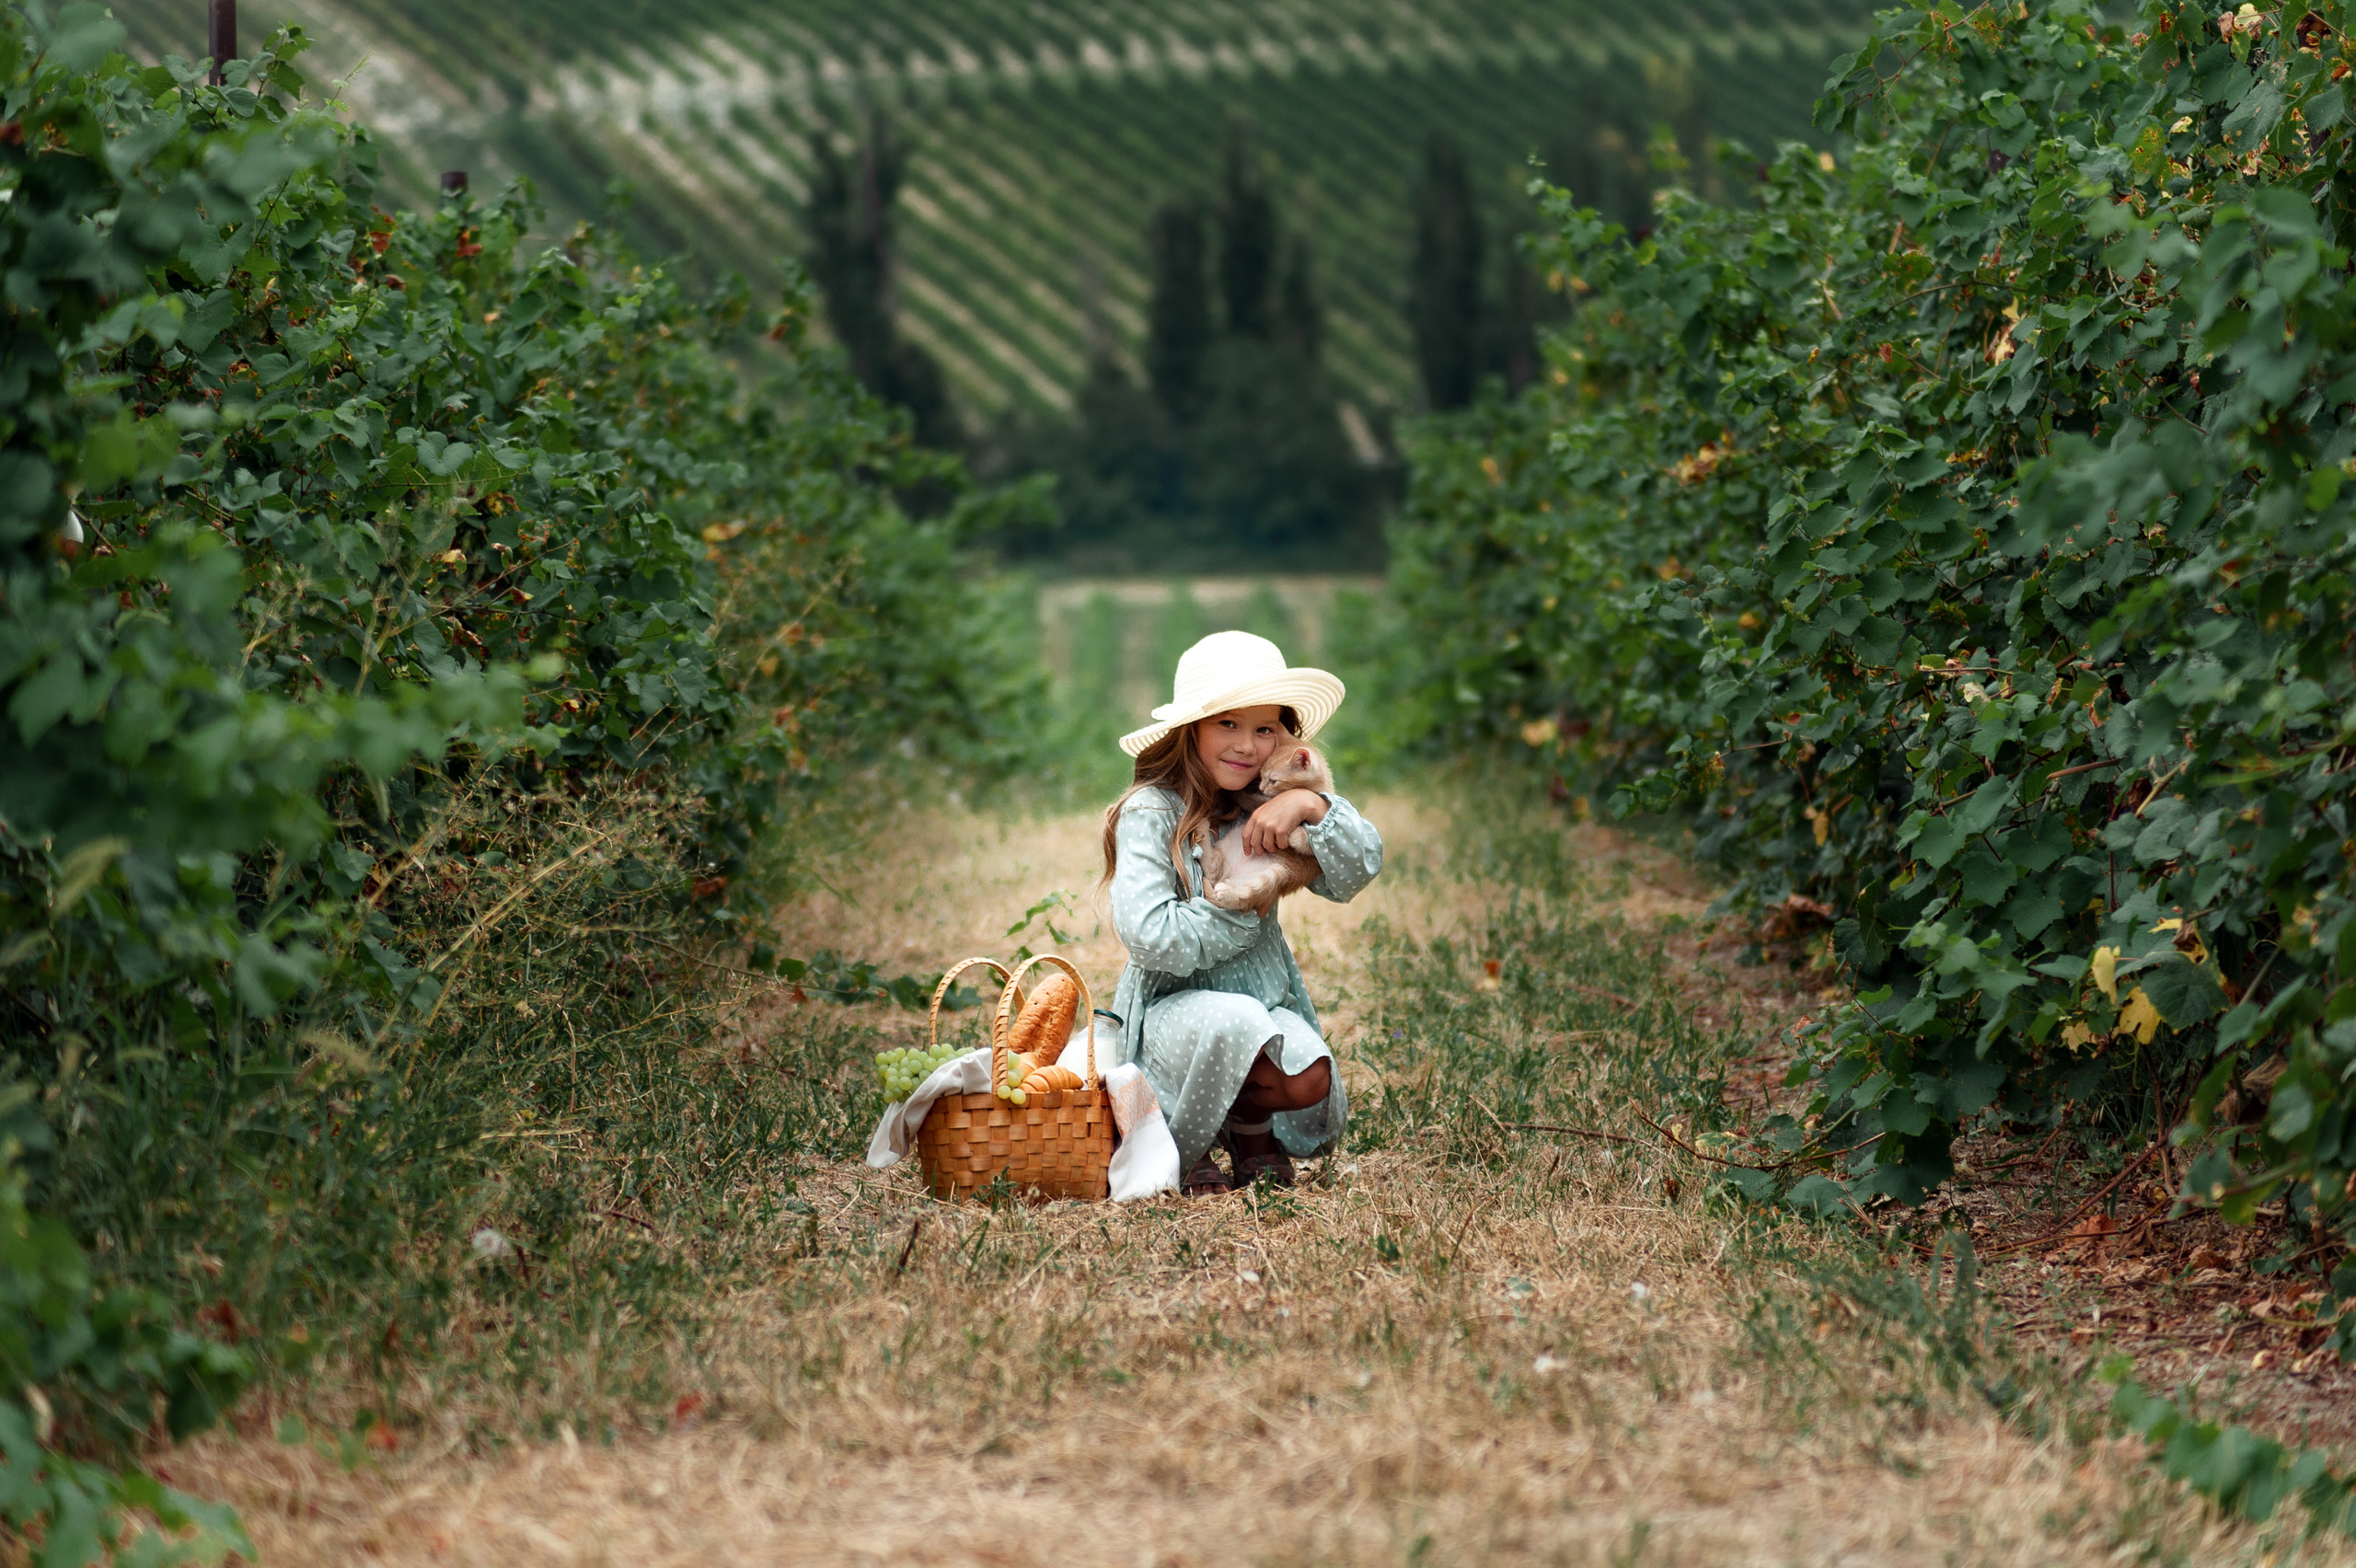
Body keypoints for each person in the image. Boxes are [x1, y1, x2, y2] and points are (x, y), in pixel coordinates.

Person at [1100, 630, 1383, 1194]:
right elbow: (1151, 937)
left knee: (1310, 1075)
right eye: (1227, 723)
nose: (1247, 746)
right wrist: (1243, 914)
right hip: (1169, 1012)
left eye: (1263, 728)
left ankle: (1247, 1125)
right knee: (1234, 1023)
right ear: (1192, 730)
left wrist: (1310, 803)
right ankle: (1184, 1142)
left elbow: (1357, 868)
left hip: (1258, 999)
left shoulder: (1272, 806)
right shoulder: (1152, 812)